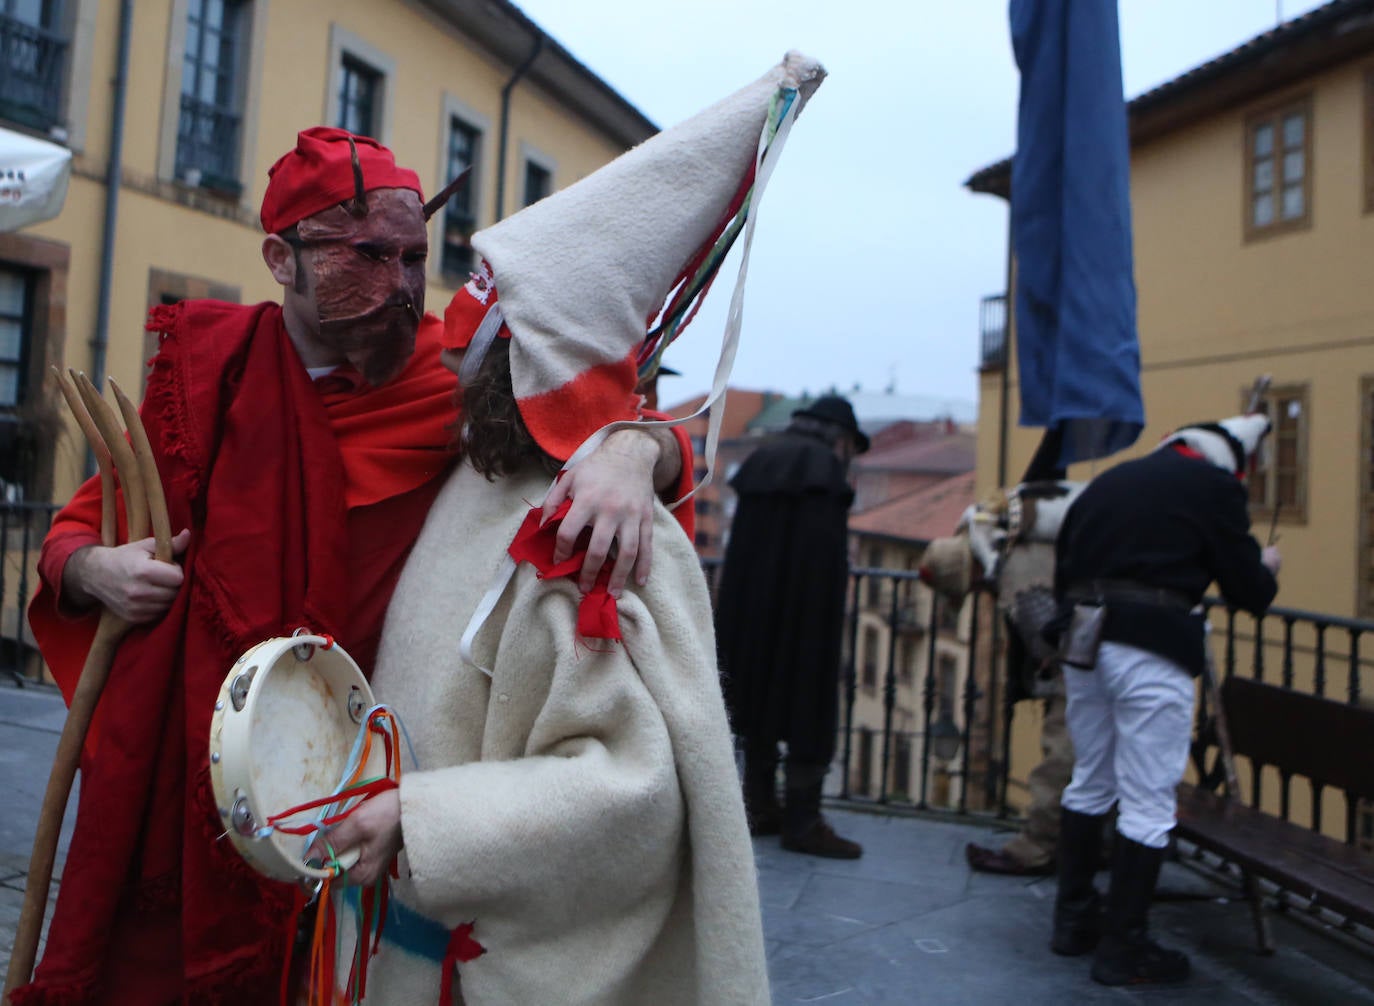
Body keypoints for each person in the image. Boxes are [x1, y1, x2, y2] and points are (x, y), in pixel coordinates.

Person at [16, 127, 686, 1005]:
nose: (403, 288)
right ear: (280, 259)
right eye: (368, 256)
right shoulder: (207, 373)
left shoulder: (453, 383)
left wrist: (635, 456)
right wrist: (92, 570)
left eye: (414, 257)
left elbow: (611, 418)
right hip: (193, 760)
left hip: (354, 761)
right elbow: (78, 530)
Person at [302, 51, 827, 1001]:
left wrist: (422, 821)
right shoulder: (482, 465)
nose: (451, 321)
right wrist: (647, 441)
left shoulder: (593, 534)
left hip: (484, 958)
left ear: (530, 342)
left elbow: (633, 790)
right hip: (405, 932)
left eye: (484, 294)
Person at [1047, 414, 1280, 986]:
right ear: (1233, 460)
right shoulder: (1215, 487)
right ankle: (1124, 947)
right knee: (1149, 801)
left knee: (1091, 782)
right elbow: (1248, 591)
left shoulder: (1113, 480)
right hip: (1150, 644)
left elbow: (1064, 569)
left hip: (1085, 639)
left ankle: (1074, 921)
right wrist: (1267, 569)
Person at [717, 394, 869, 860]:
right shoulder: (825, 469)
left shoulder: (763, 459)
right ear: (840, 439)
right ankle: (803, 820)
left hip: (751, 614)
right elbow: (823, 562)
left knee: (757, 702)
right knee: (808, 706)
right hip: (804, 615)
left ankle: (759, 805)